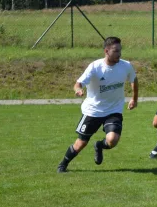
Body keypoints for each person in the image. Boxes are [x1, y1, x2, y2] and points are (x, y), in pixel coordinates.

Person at [57, 37, 138, 173]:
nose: (119, 54)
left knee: (112, 140)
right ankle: (63, 165)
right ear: (106, 51)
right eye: (116, 51)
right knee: (81, 143)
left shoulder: (126, 65)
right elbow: (78, 83)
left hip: (114, 110)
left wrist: (134, 99)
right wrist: (78, 90)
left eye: (120, 50)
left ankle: (99, 145)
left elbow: (134, 80)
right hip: (93, 111)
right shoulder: (95, 67)